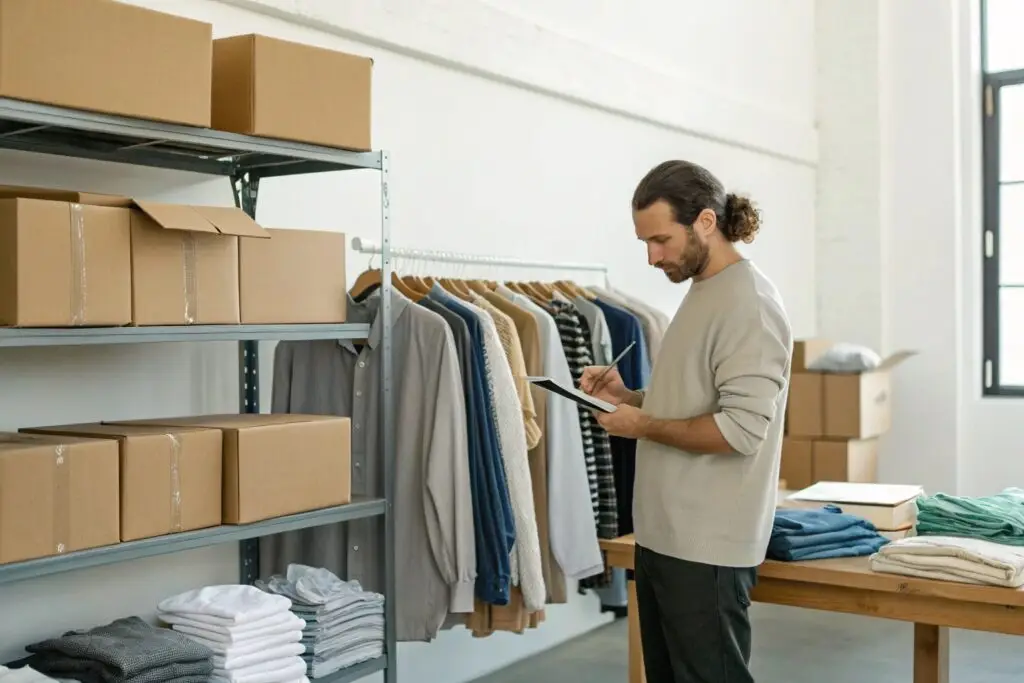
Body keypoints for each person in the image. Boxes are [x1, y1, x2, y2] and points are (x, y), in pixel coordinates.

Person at [580, 160, 792, 683]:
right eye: (645, 243)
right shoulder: (704, 291)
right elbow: (695, 401)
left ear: (705, 222)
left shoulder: (748, 304)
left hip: (706, 548)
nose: (652, 257)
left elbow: (741, 430)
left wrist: (641, 425)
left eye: (660, 240)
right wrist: (629, 397)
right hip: (665, 537)